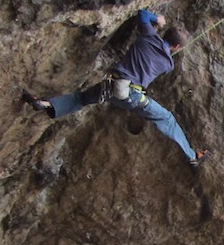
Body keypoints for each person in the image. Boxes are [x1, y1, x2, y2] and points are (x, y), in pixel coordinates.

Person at [22, 9, 210, 167]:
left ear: (164, 32)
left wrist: (157, 20)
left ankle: (45, 103)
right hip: (131, 95)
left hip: (111, 84)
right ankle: (192, 156)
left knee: (80, 99)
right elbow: (161, 56)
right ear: (176, 47)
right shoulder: (168, 64)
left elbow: (142, 14)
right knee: (167, 118)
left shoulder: (148, 35)